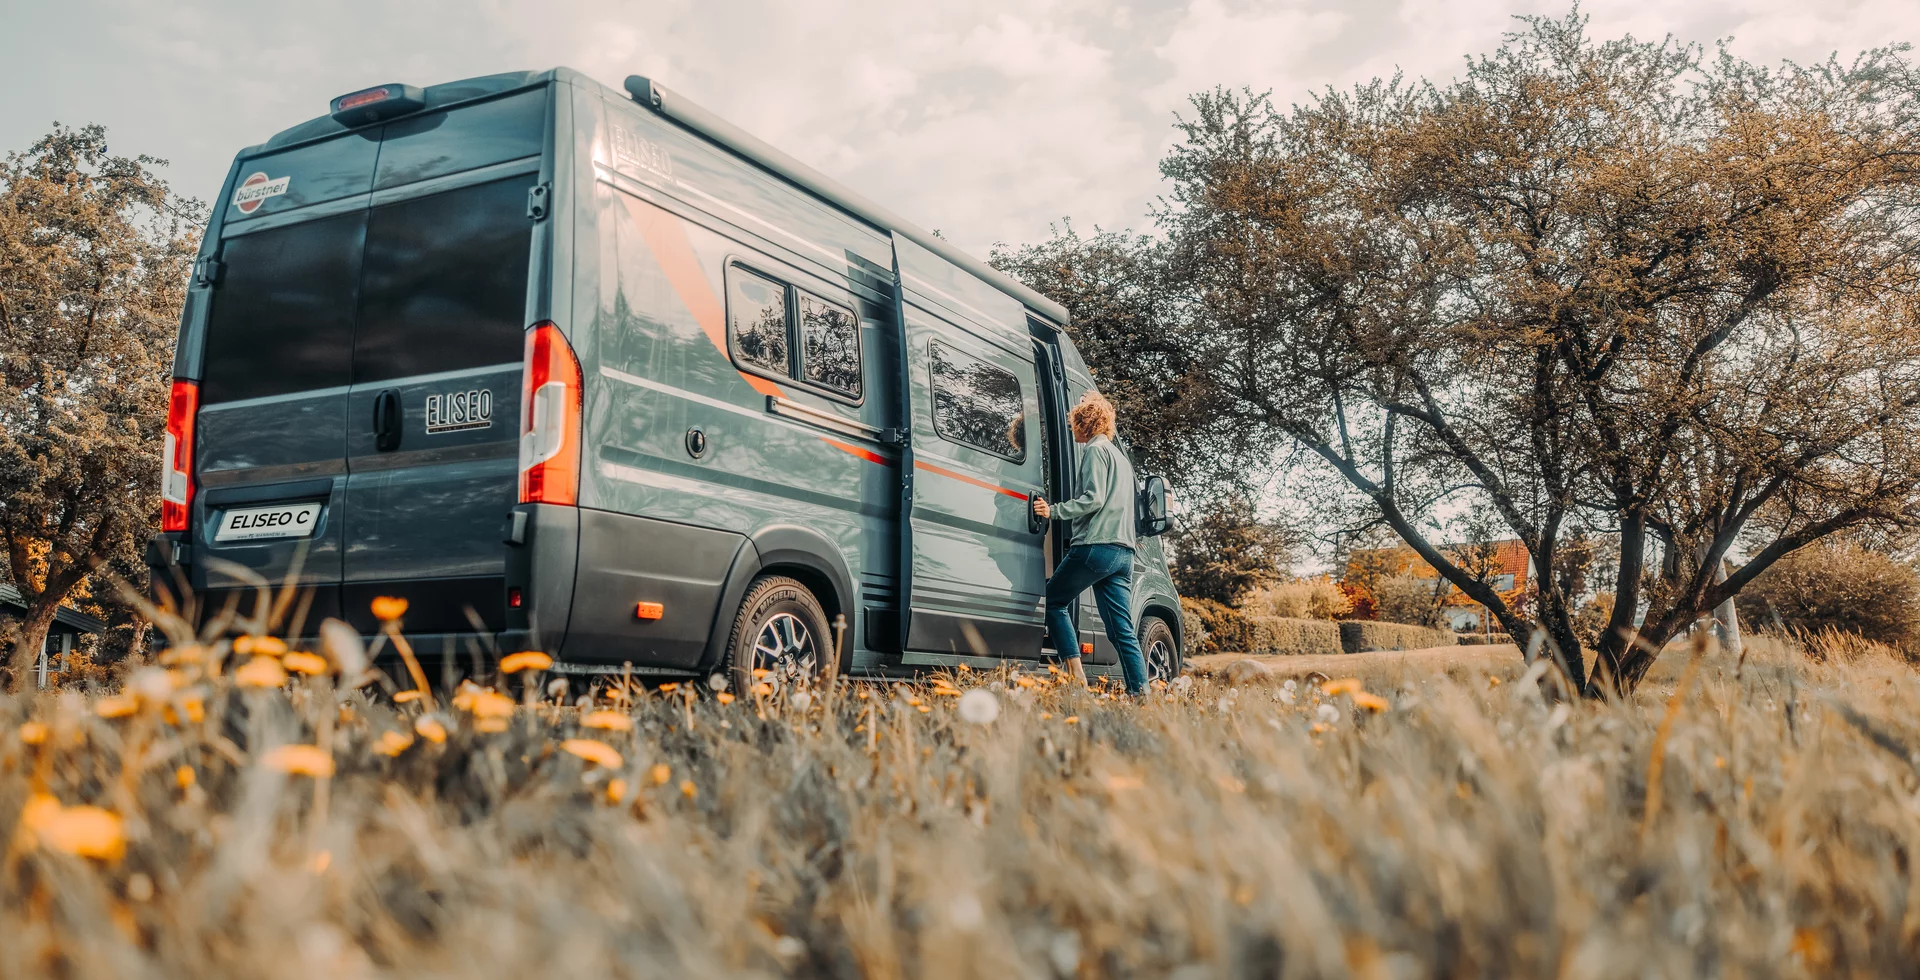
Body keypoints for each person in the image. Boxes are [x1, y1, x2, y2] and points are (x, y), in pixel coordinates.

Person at [1030, 391, 1147, 696]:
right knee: (1122, 631)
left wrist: (1052, 510)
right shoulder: (1121, 460)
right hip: (1123, 553)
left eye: (1075, 422)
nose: (1072, 428)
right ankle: (1142, 695)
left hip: (1096, 546)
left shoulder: (1095, 451)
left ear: (1087, 424)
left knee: (1053, 601)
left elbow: (1092, 499)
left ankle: (1076, 677)